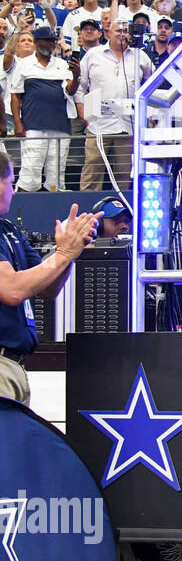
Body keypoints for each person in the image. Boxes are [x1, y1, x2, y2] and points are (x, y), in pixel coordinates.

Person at [0, 150, 100, 404]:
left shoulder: (9, 230)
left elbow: (47, 289)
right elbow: (11, 290)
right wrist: (64, 253)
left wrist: (69, 251)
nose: (13, 191)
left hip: (15, 364)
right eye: (10, 184)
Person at [76, 21, 152, 192]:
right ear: (108, 33)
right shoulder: (93, 55)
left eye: (126, 31)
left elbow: (152, 86)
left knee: (124, 175)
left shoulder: (141, 56)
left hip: (128, 125)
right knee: (92, 171)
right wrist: (81, 109)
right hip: (97, 124)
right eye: (118, 30)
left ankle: (120, 212)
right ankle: (87, 210)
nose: (122, 34)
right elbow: (79, 86)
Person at [9, 24, 76, 192]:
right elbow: (15, 96)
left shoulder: (62, 64)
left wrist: (77, 76)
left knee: (56, 176)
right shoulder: (24, 64)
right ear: (37, 42)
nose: (51, 44)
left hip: (60, 125)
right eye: (47, 41)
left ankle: (54, 209)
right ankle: (24, 210)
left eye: (53, 41)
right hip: (34, 125)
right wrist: (18, 122)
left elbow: (71, 90)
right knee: (30, 172)